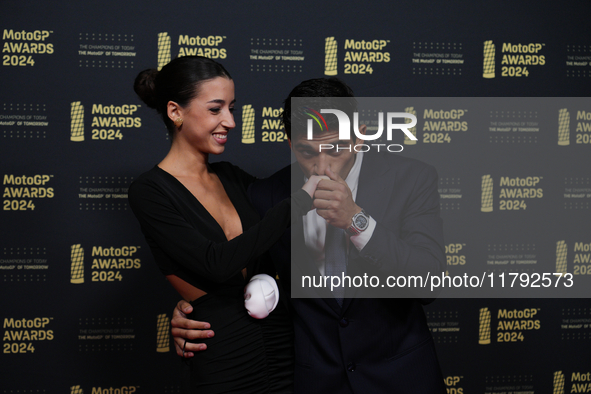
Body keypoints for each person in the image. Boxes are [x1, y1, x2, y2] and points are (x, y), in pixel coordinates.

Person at [171, 77, 447, 393]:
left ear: (359, 138)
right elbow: (245, 281)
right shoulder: (265, 196)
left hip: (402, 378)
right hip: (317, 380)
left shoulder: (411, 178)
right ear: (290, 143)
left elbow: (428, 282)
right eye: (307, 152)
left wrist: (356, 221)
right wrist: (194, 312)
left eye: (336, 148)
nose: (322, 167)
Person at [128, 56, 320, 393]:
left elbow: (292, 195)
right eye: (216, 109)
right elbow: (217, 264)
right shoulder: (150, 191)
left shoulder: (232, 177)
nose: (230, 121)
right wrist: (301, 201)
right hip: (222, 357)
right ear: (176, 112)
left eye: (232, 108)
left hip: (283, 346)